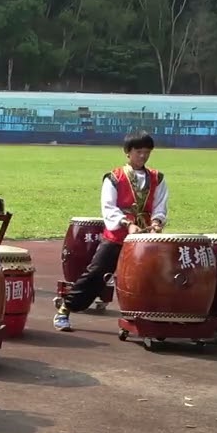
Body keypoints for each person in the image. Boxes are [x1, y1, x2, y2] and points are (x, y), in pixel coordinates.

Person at [54, 131, 168, 331]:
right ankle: (66, 308)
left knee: (153, 276)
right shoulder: (114, 178)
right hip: (117, 237)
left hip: (145, 240)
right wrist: (127, 224)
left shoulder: (157, 178)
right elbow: (109, 208)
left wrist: (157, 221)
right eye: (138, 151)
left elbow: (160, 206)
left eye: (147, 152)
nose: (143, 156)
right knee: (96, 273)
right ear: (128, 152)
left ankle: (152, 316)